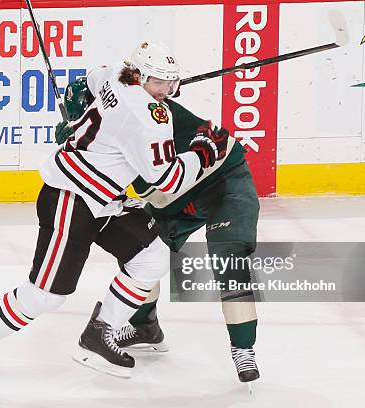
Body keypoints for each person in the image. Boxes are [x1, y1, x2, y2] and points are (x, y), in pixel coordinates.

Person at [0, 41, 223, 389]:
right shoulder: (149, 117)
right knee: (47, 295)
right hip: (72, 198)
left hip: (105, 199)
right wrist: (204, 152)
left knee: (152, 257)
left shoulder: (117, 75)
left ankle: (99, 333)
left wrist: (76, 116)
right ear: (139, 76)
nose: (166, 91)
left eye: (171, 82)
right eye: (159, 83)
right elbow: (165, 180)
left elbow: (86, 82)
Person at [57, 67, 261, 384]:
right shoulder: (115, 121)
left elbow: (162, 191)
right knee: (140, 251)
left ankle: (243, 348)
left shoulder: (141, 118)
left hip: (223, 182)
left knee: (229, 257)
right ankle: (144, 326)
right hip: (179, 191)